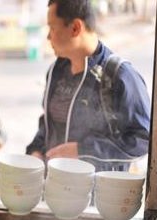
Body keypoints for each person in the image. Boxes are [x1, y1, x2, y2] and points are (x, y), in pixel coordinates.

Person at [26, 0, 150, 171]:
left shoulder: (120, 76)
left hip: (100, 194)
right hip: (55, 188)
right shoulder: (56, 70)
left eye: (52, 28)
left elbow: (143, 140)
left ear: (76, 28)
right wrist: (36, 151)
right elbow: (48, 124)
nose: (48, 37)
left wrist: (83, 150)